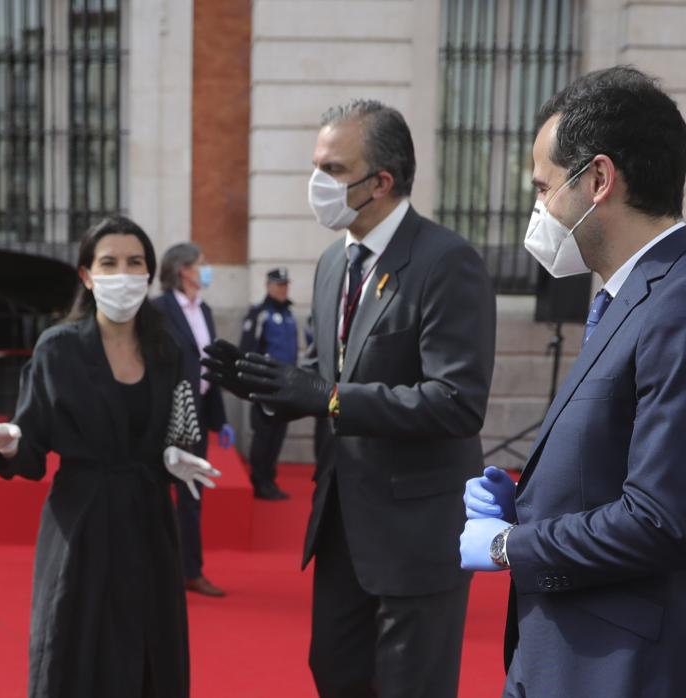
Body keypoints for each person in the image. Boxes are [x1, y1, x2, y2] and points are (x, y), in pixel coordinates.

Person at [459, 66, 686, 698]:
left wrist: (508, 546)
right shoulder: (632, 297)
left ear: (599, 179)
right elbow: (614, 467)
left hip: (632, 672)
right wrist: (524, 501)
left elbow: (661, 521)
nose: (539, 209)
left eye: (544, 188)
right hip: (572, 659)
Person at [204, 99, 496, 697]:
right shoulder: (334, 261)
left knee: (407, 688)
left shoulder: (446, 262)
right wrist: (267, 388)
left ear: (380, 182)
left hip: (416, 533)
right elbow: (323, 372)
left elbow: (456, 401)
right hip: (341, 524)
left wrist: (331, 398)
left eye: (333, 169)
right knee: (334, 673)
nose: (318, 183)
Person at [0, 216, 220, 697]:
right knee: (74, 651)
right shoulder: (57, 349)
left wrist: (174, 453)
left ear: (149, 274)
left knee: (151, 652)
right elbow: (34, 437)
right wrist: (13, 440)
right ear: (87, 275)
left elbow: (181, 425)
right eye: (109, 263)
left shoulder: (167, 347)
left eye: (135, 262)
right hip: (80, 526)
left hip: (149, 521)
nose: (123, 273)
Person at [151, 243, 234, 597]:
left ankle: (191, 571)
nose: (206, 268)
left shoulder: (206, 311)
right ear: (183, 269)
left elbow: (209, 367)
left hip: (197, 417)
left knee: (192, 494)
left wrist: (221, 419)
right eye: (201, 263)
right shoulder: (157, 310)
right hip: (164, 419)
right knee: (156, 494)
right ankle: (154, 571)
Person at [238, 267, 298, 500]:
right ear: (268, 286)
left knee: (278, 434)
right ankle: (259, 480)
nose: (283, 289)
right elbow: (246, 350)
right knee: (264, 434)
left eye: (286, 285)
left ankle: (270, 479)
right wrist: (253, 383)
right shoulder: (259, 313)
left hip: (286, 387)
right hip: (265, 387)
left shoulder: (289, 314)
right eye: (279, 285)